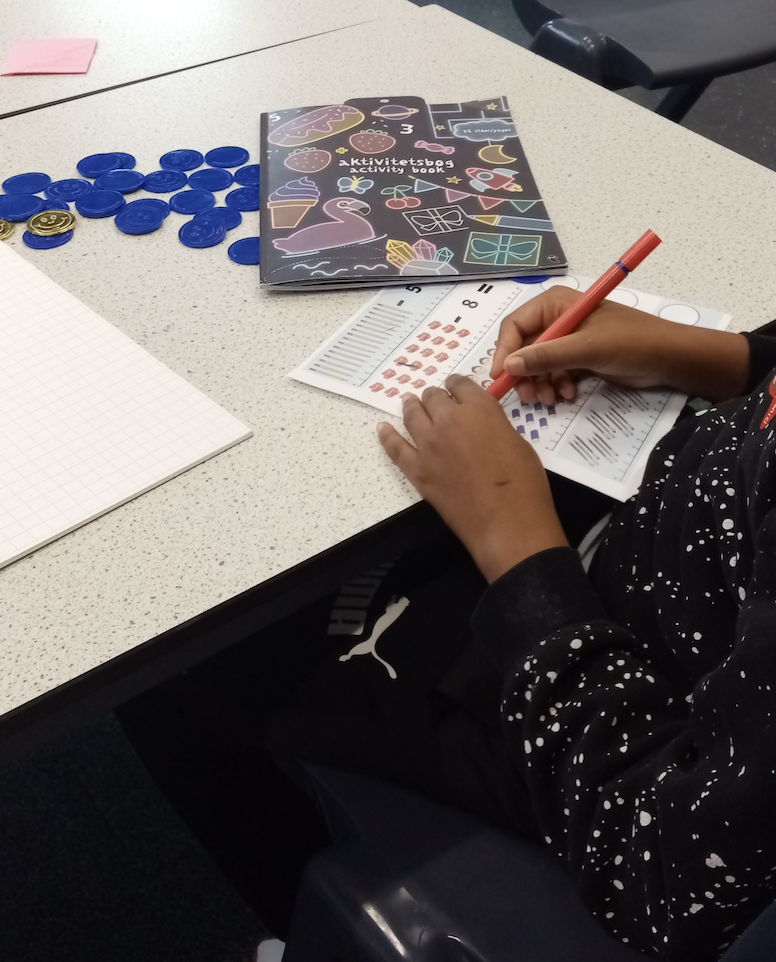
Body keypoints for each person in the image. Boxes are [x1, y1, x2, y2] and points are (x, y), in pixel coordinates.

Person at [119, 287, 776, 960]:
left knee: (180, 662)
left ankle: (309, 933)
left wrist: (510, 534)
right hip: (654, 539)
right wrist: (723, 358)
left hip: (612, 708)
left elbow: (675, 879)